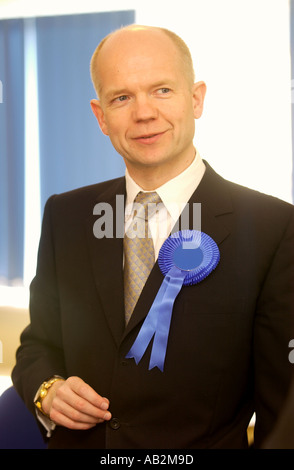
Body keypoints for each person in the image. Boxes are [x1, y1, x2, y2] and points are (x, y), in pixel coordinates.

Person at [12, 24, 294, 449]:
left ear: (196, 99)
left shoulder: (274, 227)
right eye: (122, 97)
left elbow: (283, 407)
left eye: (162, 90)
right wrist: (47, 390)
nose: (143, 113)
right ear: (100, 115)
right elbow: (37, 345)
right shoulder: (65, 215)